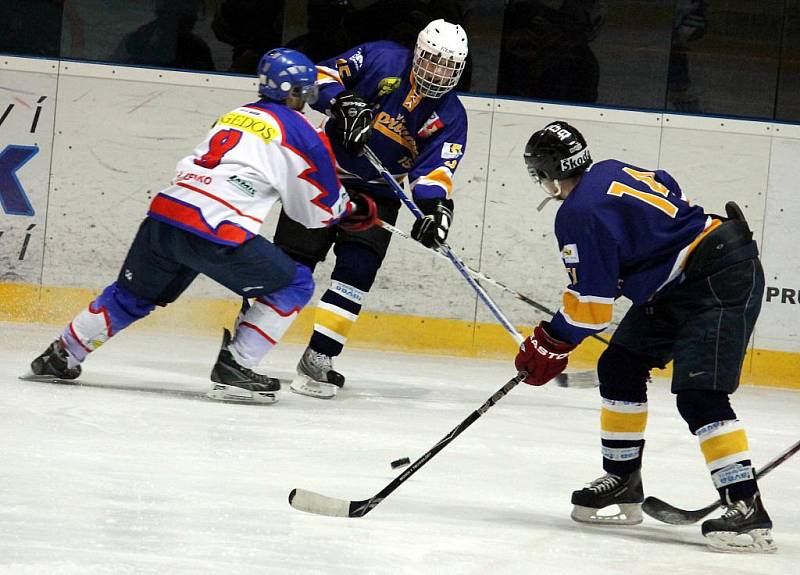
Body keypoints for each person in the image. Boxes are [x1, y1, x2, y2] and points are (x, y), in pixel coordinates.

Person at [23, 48, 377, 404]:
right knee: (296, 284)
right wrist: (349, 209)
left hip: (164, 217)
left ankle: (61, 354)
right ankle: (237, 366)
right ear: (295, 92)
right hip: (215, 228)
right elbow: (314, 213)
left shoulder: (235, 116)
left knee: (131, 296)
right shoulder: (299, 130)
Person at [516, 121, 774, 552]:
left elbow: (593, 308)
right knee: (619, 366)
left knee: (700, 395)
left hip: (718, 278)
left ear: (549, 173)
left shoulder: (577, 213)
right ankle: (622, 481)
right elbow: (671, 192)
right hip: (687, 274)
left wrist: (552, 340)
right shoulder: (611, 169)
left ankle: (746, 507)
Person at [274, 19, 469, 399]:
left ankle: (319, 359)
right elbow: (319, 75)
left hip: (379, 193)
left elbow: (436, 170)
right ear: (417, 52)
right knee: (290, 263)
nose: (438, 73)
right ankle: (245, 345)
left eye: (448, 67)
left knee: (357, 272)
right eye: (432, 61)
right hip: (323, 172)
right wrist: (341, 102)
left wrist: (434, 210)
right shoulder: (381, 57)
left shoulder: (451, 116)